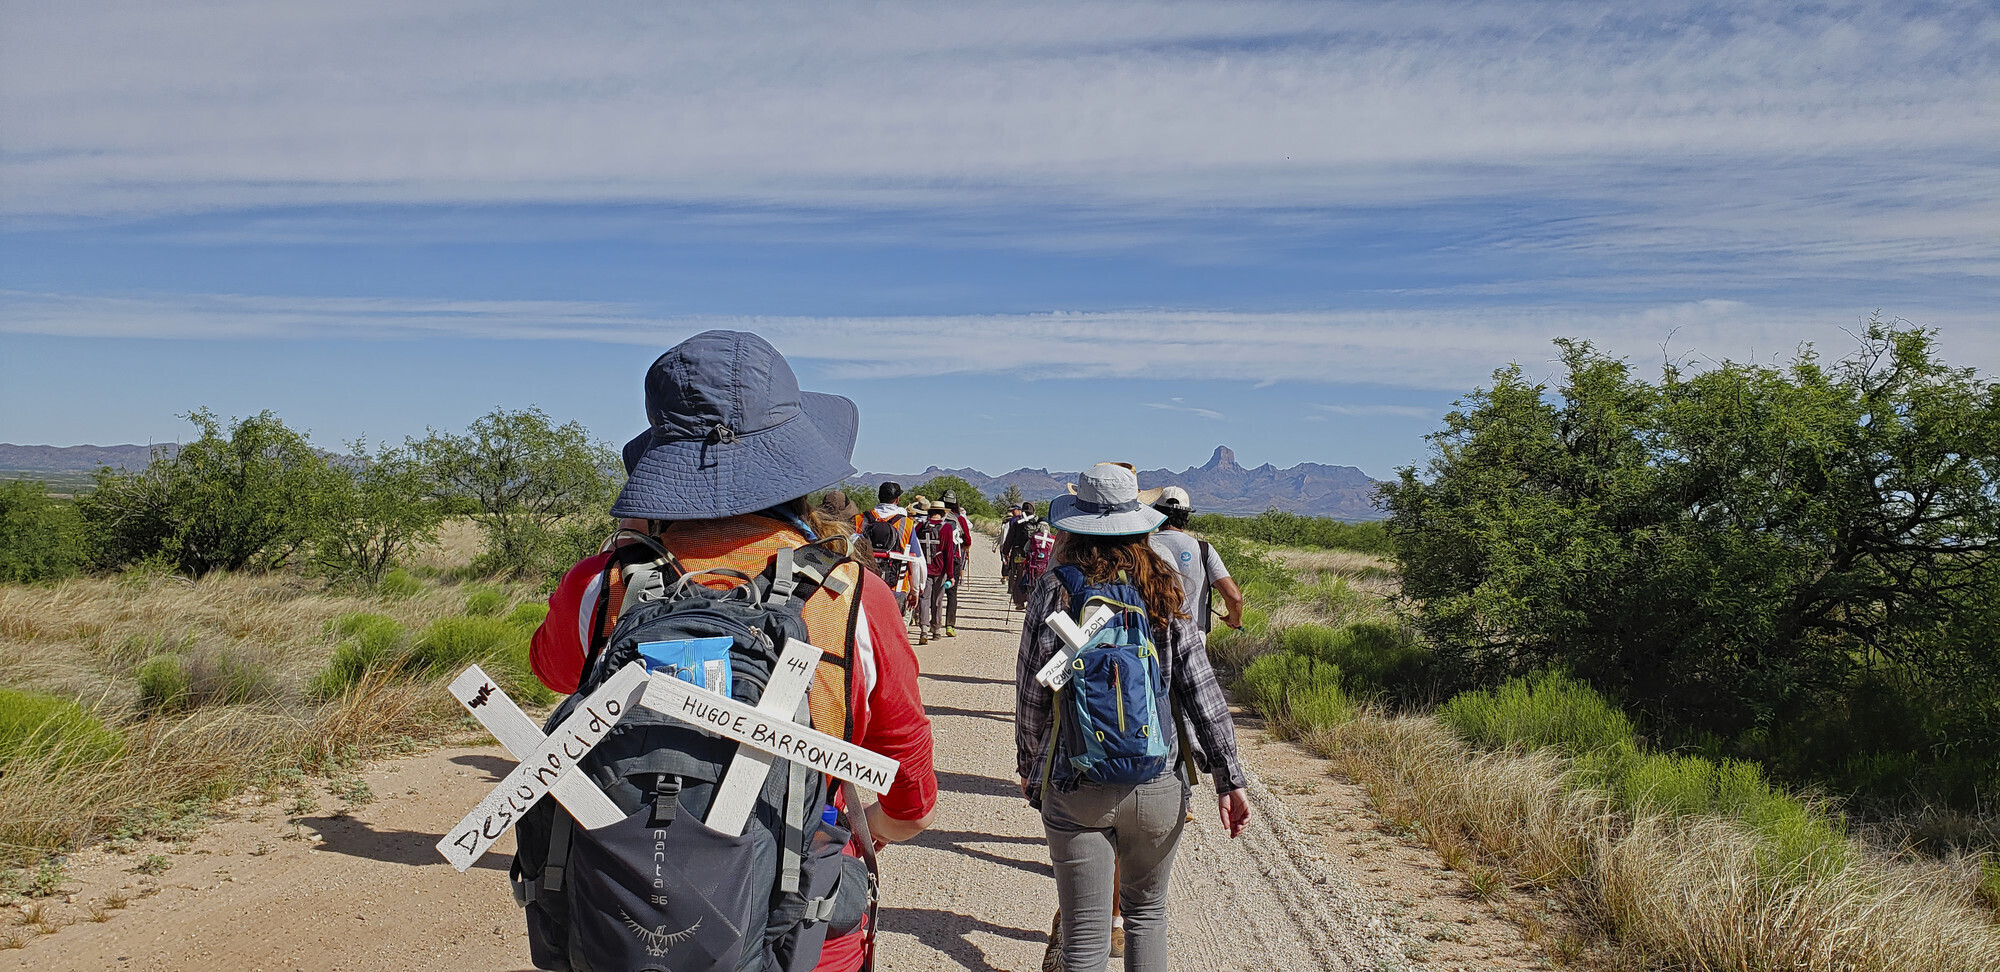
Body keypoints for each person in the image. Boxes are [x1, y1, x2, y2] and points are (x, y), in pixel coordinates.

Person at [527, 330, 938, 972]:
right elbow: (905, 764)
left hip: (620, 918)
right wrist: (884, 827)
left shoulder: (599, 584)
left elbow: (551, 668)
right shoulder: (854, 596)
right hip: (797, 926)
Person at [1016, 463, 1251, 972]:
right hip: (1158, 779)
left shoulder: (1055, 587)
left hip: (1075, 781)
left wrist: (1034, 769)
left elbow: (1036, 690)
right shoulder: (1163, 586)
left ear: (1072, 526)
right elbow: (1199, 688)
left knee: (1084, 938)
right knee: (1147, 916)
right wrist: (1229, 777)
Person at [1146, 486, 1245, 632]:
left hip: (1150, 637)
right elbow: (1234, 597)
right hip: (1193, 639)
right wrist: (1235, 619)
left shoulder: (1142, 547)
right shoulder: (1203, 549)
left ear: (1157, 513)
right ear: (1186, 516)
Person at [856, 481, 920, 610]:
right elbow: (916, 561)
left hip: (864, 583)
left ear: (879, 496)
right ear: (897, 499)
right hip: (897, 586)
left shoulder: (860, 519)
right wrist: (915, 590)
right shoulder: (906, 523)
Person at [915, 503, 964, 644]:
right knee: (937, 600)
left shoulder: (920, 527)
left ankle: (923, 630)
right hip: (940, 569)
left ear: (930, 512)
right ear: (942, 513)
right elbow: (949, 553)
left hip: (924, 568)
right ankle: (936, 629)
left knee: (924, 598)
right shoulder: (946, 528)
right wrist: (951, 575)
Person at [940, 491, 974, 634]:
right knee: (952, 593)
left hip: (936, 559)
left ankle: (930, 622)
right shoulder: (959, 519)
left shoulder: (934, 517)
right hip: (953, 559)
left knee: (934, 590)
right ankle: (949, 625)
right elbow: (967, 539)